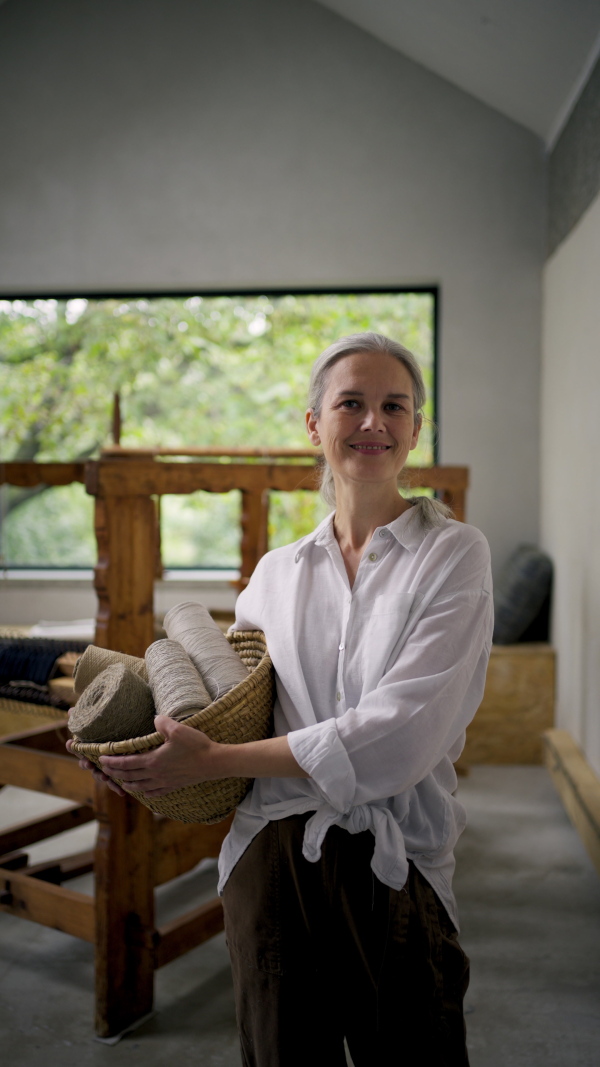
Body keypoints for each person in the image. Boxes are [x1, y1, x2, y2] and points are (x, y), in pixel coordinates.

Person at [71, 332, 493, 1066]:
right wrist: (146, 748)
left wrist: (219, 756)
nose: (373, 422)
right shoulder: (274, 575)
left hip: (396, 866)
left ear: (416, 428)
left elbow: (401, 737)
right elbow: (231, 704)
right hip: (269, 861)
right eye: (350, 403)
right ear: (313, 424)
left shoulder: (452, 554)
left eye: (394, 405)